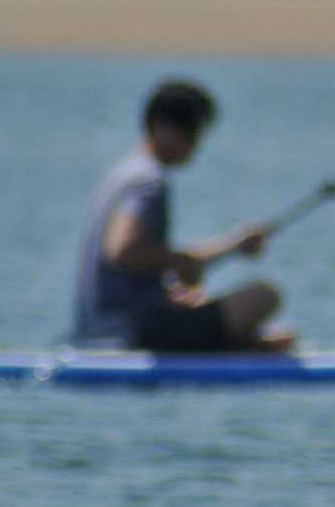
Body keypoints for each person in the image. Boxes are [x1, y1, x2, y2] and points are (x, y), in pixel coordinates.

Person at [71, 79, 293, 351]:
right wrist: (182, 263)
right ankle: (244, 347)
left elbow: (132, 264)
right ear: (163, 129)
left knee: (277, 337)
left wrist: (171, 290)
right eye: (194, 134)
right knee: (265, 297)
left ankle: (246, 346)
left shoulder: (123, 173)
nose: (197, 146)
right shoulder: (148, 181)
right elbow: (123, 251)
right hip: (131, 334)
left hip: (102, 328)